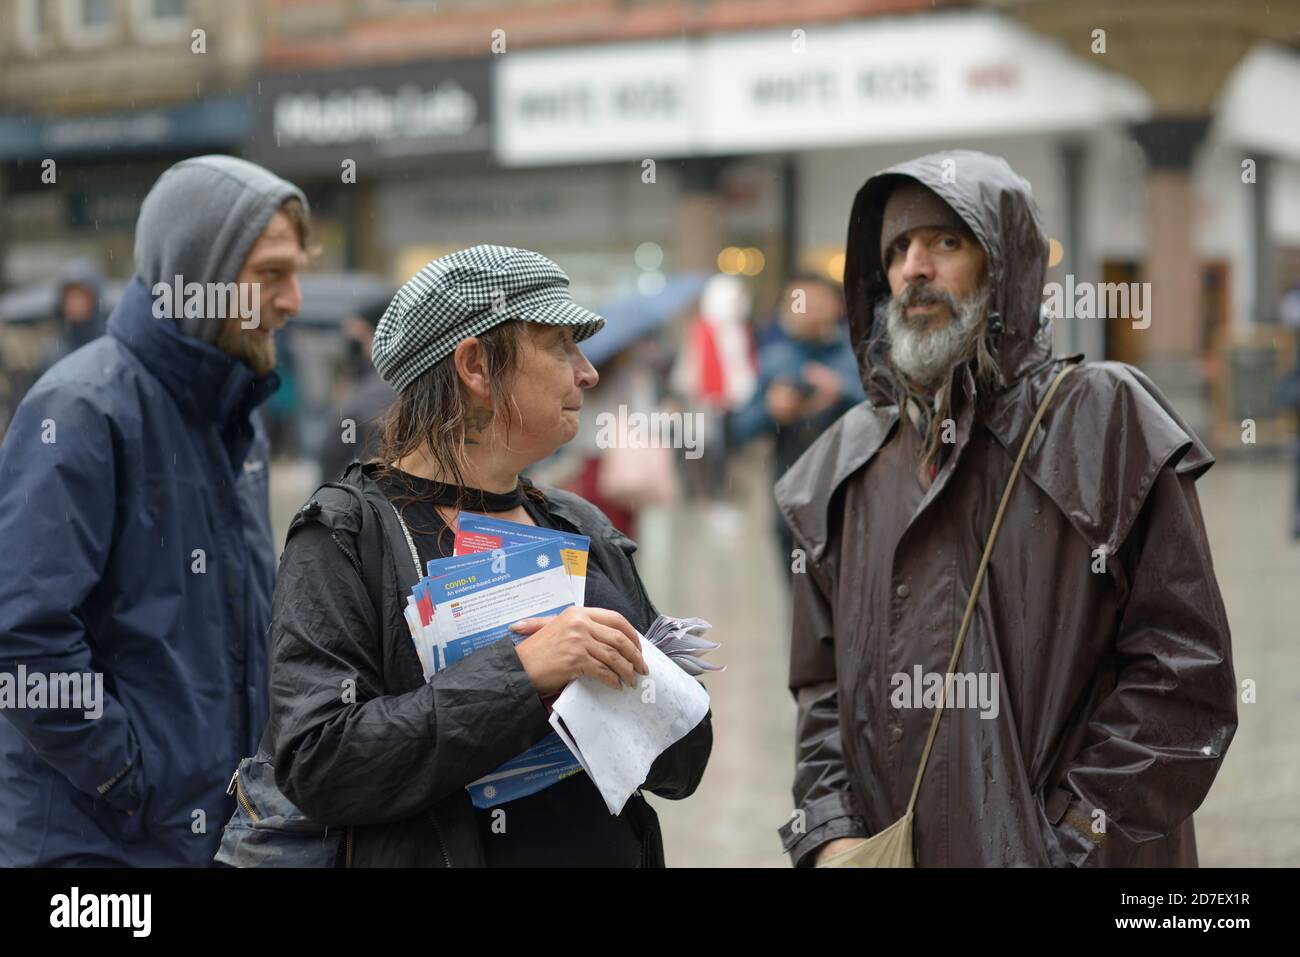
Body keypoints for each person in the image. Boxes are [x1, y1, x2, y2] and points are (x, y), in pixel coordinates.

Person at [776, 150, 1237, 867]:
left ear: (1005, 266)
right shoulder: (841, 468)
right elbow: (820, 693)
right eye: (897, 249)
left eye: (945, 242)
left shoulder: (1105, 420)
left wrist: (1075, 837)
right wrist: (834, 832)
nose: (914, 268)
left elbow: (1183, 674)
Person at [262, 244, 712, 866]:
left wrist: (640, 680)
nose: (587, 372)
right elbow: (319, 762)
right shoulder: (345, 537)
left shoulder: (580, 523)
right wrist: (522, 674)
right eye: (559, 345)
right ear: (476, 366)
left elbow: (680, 770)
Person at [0, 155, 309, 866]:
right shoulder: (81, 409)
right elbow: (22, 636)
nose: (292, 299)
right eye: (269, 274)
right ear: (194, 278)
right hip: (92, 856)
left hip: (207, 839)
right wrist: (131, 775)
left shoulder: (239, 418)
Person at [731, 273, 865, 576]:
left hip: (851, 499)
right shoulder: (775, 360)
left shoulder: (857, 353)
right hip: (791, 499)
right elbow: (740, 428)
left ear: (836, 305)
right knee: (800, 603)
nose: (805, 309)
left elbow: (887, 414)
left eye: (815, 301)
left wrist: (840, 394)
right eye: (797, 302)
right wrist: (773, 410)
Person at [318, 293, 397, 483]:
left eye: (355, 342)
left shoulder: (373, 391)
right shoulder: (381, 380)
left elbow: (339, 447)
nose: (349, 349)